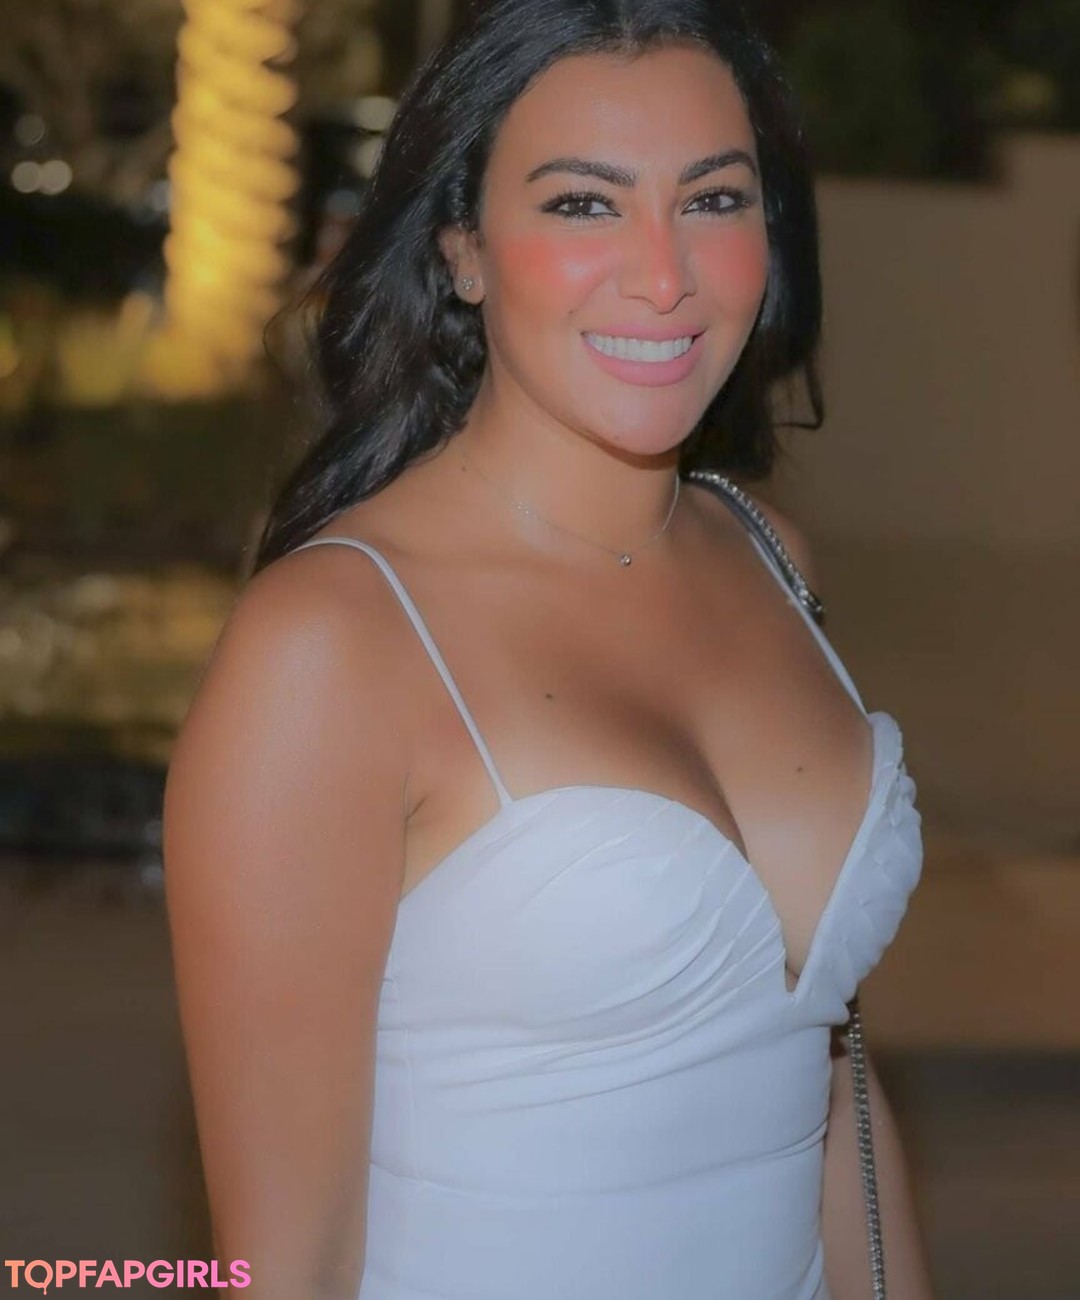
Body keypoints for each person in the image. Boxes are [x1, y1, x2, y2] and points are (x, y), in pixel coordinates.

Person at [163, 2, 933, 1297]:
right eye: (584, 204)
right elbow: (283, 1265)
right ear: (462, 247)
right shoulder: (335, 646)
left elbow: (834, 1090)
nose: (664, 274)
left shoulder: (768, 557)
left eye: (714, 199)